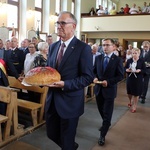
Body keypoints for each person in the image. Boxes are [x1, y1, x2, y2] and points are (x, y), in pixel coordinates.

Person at [45, 11, 94, 150]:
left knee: (66, 140)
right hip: (52, 100)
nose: (59, 26)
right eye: (57, 23)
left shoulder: (83, 48)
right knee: (51, 134)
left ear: (73, 26)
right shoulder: (53, 46)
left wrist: (65, 84)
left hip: (70, 102)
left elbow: (87, 77)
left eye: (63, 23)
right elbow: (50, 71)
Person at [93, 38, 124, 146]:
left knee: (107, 113)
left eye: (107, 45)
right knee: (101, 110)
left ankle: (102, 135)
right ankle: (106, 122)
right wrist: (95, 78)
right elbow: (94, 72)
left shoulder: (117, 60)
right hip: (98, 90)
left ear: (113, 47)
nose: (104, 47)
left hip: (109, 91)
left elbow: (120, 76)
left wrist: (109, 82)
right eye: (103, 45)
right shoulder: (98, 58)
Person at [0, 45, 23, 115]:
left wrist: (17, 76)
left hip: (1, 80)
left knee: (2, 101)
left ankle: (3, 120)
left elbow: (10, 65)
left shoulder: (4, 53)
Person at [125, 48, 146, 112]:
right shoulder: (129, 60)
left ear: (139, 54)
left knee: (136, 93)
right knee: (129, 93)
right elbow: (125, 68)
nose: (134, 54)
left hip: (138, 79)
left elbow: (144, 70)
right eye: (133, 53)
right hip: (130, 78)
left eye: (136, 53)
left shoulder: (142, 61)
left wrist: (140, 70)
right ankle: (130, 101)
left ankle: (134, 106)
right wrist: (126, 70)